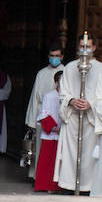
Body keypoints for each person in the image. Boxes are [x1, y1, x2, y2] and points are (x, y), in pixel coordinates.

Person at [54, 33, 102, 195]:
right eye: (82, 47)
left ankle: (88, 186)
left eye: (87, 47)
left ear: (94, 48)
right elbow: (63, 93)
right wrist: (72, 100)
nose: (84, 50)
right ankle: (68, 185)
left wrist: (91, 104)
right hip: (72, 119)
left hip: (91, 121)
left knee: (90, 155)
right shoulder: (69, 68)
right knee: (70, 154)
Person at [24, 46, 65, 178]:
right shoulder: (41, 73)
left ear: (62, 57)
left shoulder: (66, 72)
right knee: (40, 149)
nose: (54, 58)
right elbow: (35, 96)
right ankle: (38, 176)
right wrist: (32, 120)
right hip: (43, 114)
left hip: (60, 114)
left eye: (57, 55)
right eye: (52, 55)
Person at [34, 71, 64, 192]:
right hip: (50, 133)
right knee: (47, 161)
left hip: (64, 134)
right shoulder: (49, 96)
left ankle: (58, 187)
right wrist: (54, 127)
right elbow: (43, 114)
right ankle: (45, 186)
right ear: (56, 82)